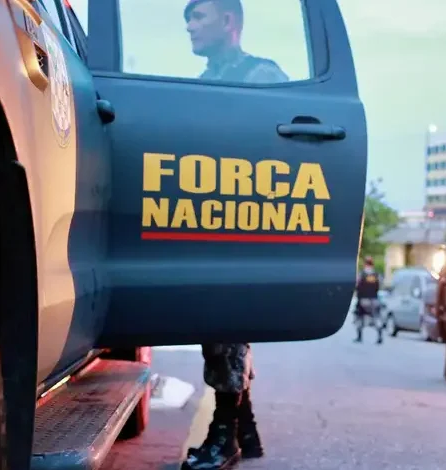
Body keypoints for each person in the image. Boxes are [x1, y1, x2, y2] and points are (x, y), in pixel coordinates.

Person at [181, 1, 288, 468]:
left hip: (245, 217)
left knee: (223, 323)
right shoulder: (206, 81)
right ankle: (245, 428)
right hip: (215, 215)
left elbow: (282, 146)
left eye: (198, 17)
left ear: (228, 21)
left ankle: (224, 436)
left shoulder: (260, 75)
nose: (189, 26)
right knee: (222, 327)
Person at [354, 256, 383, 344]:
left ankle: (359, 336)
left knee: (358, 317)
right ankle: (380, 336)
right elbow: (380, 285)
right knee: (376, 317)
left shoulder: (361, 274)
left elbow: (357, 285)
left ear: (365, 264)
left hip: (363, 299)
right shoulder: (376, 274)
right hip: (374, 299)